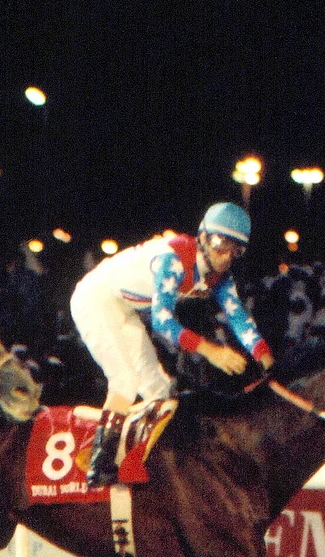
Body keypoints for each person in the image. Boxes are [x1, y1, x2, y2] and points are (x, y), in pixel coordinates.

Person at [70, 202, 274, 486]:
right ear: (203, 238)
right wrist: (210, 351)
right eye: (220, 244)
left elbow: (238, 316)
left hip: (121, 306)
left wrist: (267, 359)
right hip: (93, 298)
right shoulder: (174, 259)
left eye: (236, 250)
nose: (226, 256)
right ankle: (98, 463)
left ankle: (148, 461)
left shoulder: (220, 277)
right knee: (125, 380)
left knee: (160, 390)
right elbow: (162, 321)